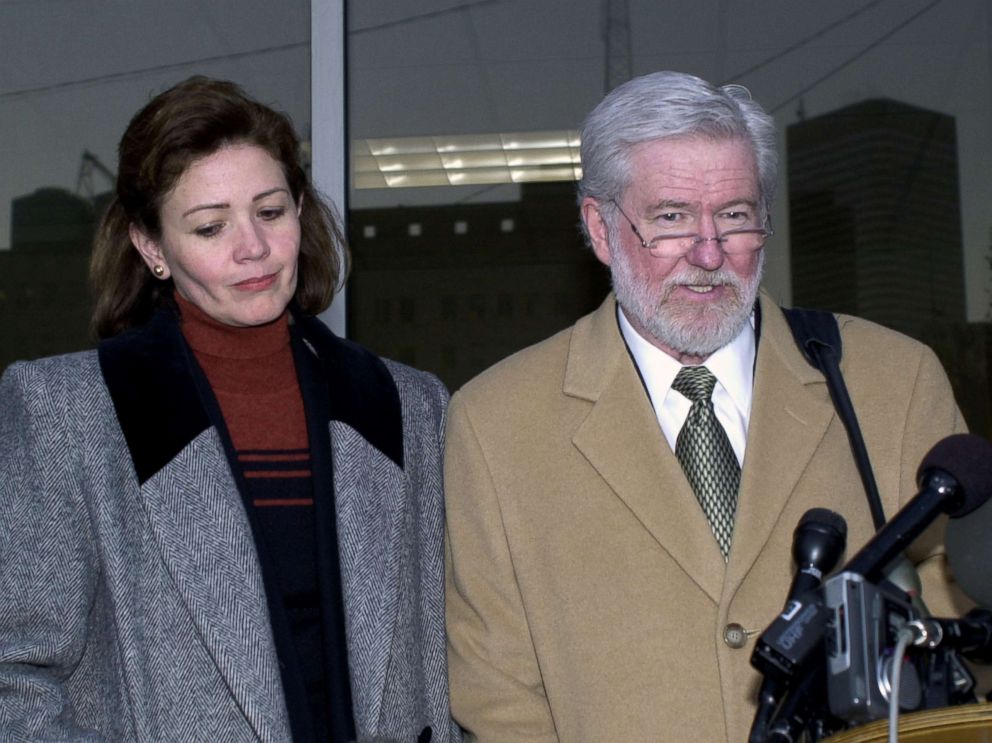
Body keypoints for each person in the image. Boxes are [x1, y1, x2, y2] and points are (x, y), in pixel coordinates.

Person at [443, 71, 968, 742]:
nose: (710, 253)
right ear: (600, 229)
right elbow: (497, 694)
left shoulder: (892, 382)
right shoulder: (496, 424)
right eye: (671, 219)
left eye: (735, 215)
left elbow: (961, 619)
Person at [0, 76, 459, 743]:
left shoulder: (406, 407)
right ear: (151, 247)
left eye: (271, 211)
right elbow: (14, 671)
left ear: (300, 210)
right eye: (210, 225)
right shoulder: (68, 413)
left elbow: (455, 654)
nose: (252, 247)